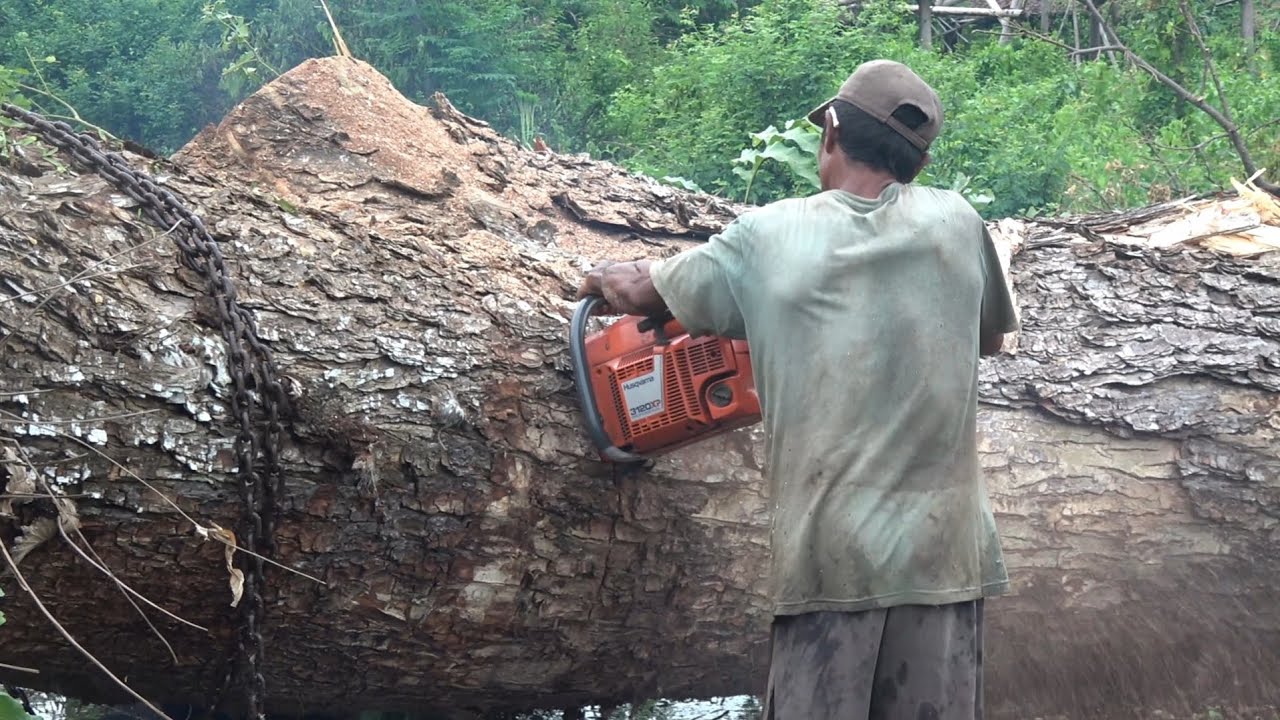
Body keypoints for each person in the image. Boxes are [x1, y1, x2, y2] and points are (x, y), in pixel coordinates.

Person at [574, 59, 1019, 720]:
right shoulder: (958, 224)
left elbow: (644, 290)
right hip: (946, 560)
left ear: (831, 131)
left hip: (829, 564)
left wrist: (596, 276)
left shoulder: (768, 238)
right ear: (919, 165)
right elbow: (983, 336)